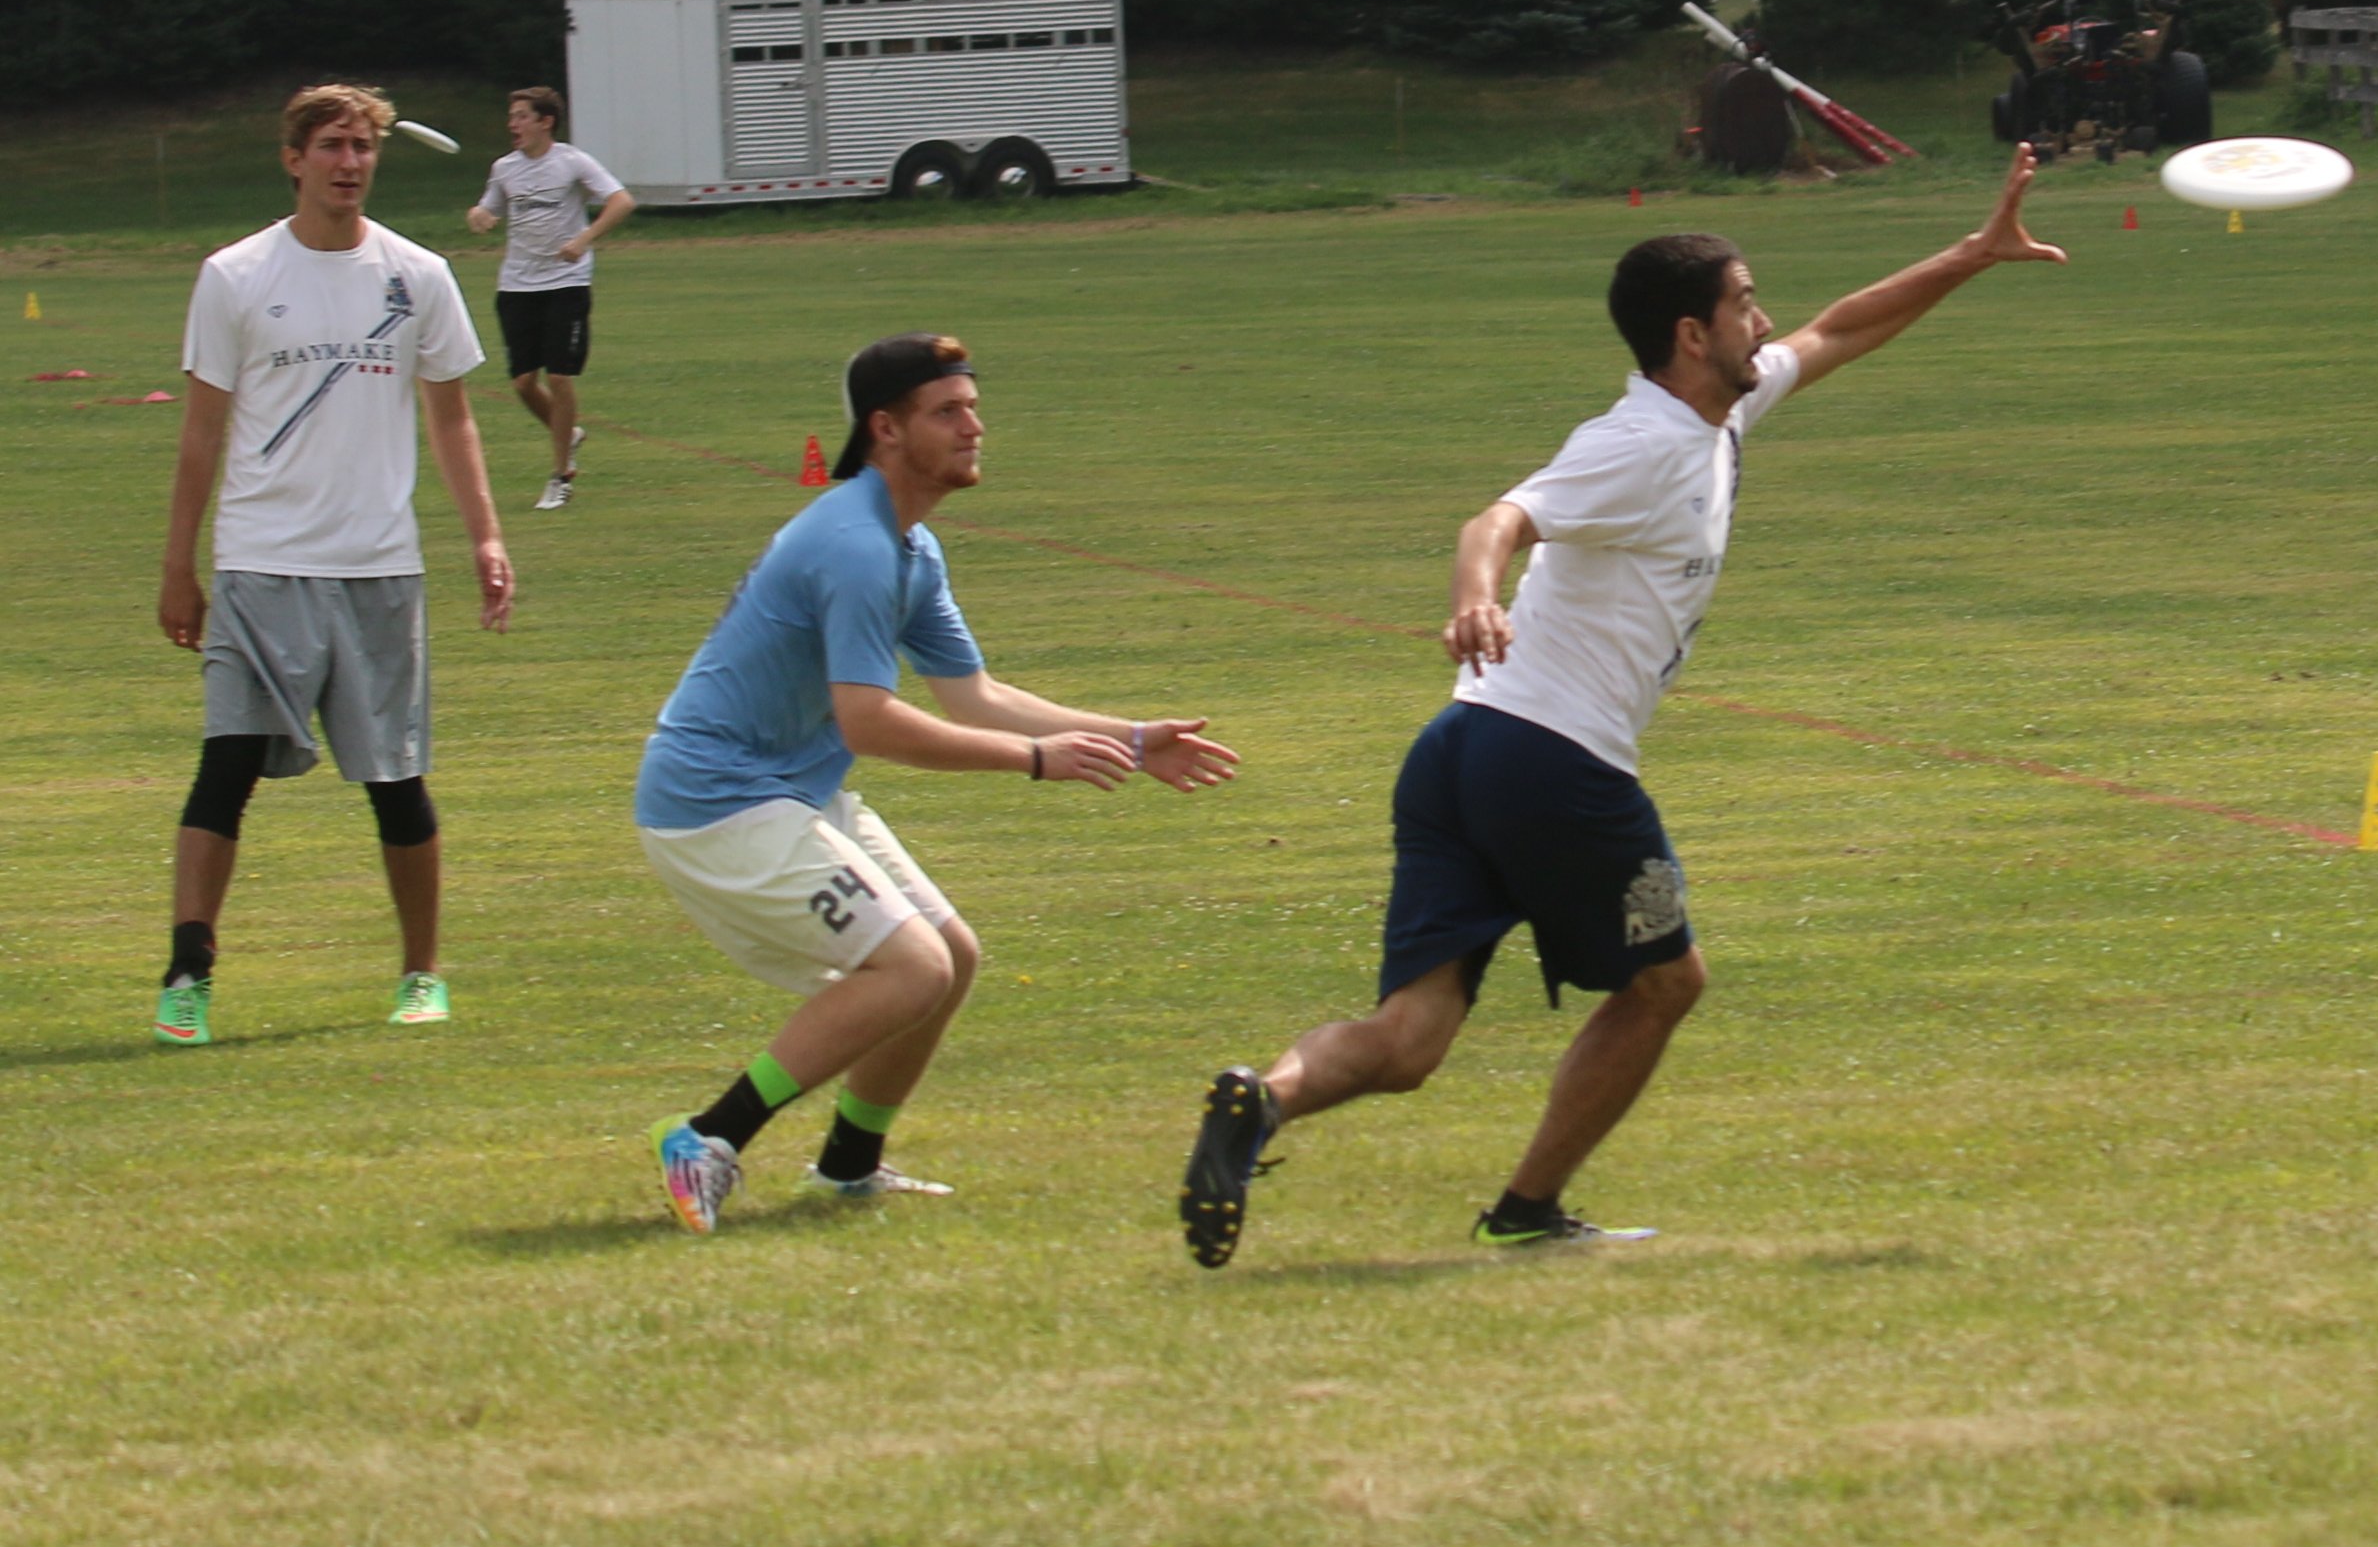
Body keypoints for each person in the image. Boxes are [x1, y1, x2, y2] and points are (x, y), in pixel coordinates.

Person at [1179, 153, 2063, 1266]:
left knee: (1409, 1040)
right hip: (1553, 760)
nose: (1765, 322)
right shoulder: (1638, 443)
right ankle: (1528, 1209)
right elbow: (1498, 519)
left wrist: (1973, 255)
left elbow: (1841, 330)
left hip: (1460, 748)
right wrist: (1474, 598)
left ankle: (1263, 1099)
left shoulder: (1717, 414)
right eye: (1746, 304)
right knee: (1664, 983)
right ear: (1693, 334)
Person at [641, 333, 1241, 1232]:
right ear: (886, 429)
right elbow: (868, 722)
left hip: (782, 791)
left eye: (973, 407)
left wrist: (1129, 737)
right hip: (714, 800)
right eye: (948, 412)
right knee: (912, 965)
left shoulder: (909, 547)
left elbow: (975, 696)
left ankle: (849, 1165)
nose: (974, 426)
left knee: (949, 957)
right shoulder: (855, 544)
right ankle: (708, 1138)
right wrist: (1035, 761)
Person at [154, 85, 516, 1045]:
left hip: (377, 568)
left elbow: (452, 418)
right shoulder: (235, 275)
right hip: (260, 564)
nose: (349, 163)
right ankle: (188, 973)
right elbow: (200, 433)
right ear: (294, 159)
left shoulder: (418, 274)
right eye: (331, 146)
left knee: (397, 783)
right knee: (225, 766)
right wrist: (178, 566)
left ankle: (421, 974)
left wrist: (485, 536)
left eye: (362, 147)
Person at [464, 86, 631, 511]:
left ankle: (560, 475)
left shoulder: (572, 162)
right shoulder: (505, 168)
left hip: (566, 282)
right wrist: (479, 216)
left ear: (545, 121)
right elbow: (488, 208)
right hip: (517, 285)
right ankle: (568, 433)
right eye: (512, 116)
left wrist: (583, 240)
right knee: (523, 383)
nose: (513, 124)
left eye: (521, 116)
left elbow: (621, 201)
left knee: (559, 377)